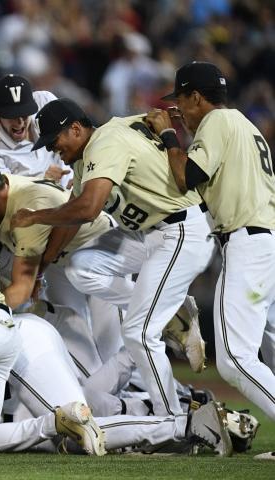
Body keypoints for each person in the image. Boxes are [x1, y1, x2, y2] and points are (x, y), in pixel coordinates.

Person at [11, 98, 214, 422]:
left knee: (138, 331)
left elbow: (88, 209)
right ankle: (171, 314)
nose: (52, 149)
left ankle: (173, 421)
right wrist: (41, 269)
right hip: (149, 233)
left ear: (75, 129)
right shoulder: (92, 152)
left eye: (54, 139)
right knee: (81, 267)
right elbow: (74, 215)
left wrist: (36, 216)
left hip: (181, 229)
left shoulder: (104, 141)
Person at [148, 62, 275, 437]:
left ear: (196, 97)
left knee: (234, 359)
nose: (179, 111)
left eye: (181, 102)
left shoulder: (217, 122)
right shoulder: (244, 125)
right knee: (269, 352)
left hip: (250, 246)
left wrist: (169, 136)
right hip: (265, 242)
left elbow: (186, 177)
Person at [0, 74, 71, 186]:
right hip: (43, 195)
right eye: (12, 115)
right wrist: (42, 179)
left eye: (24, 113)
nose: (20, 121)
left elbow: (75, 134)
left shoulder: (44, 102)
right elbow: (6, 192)